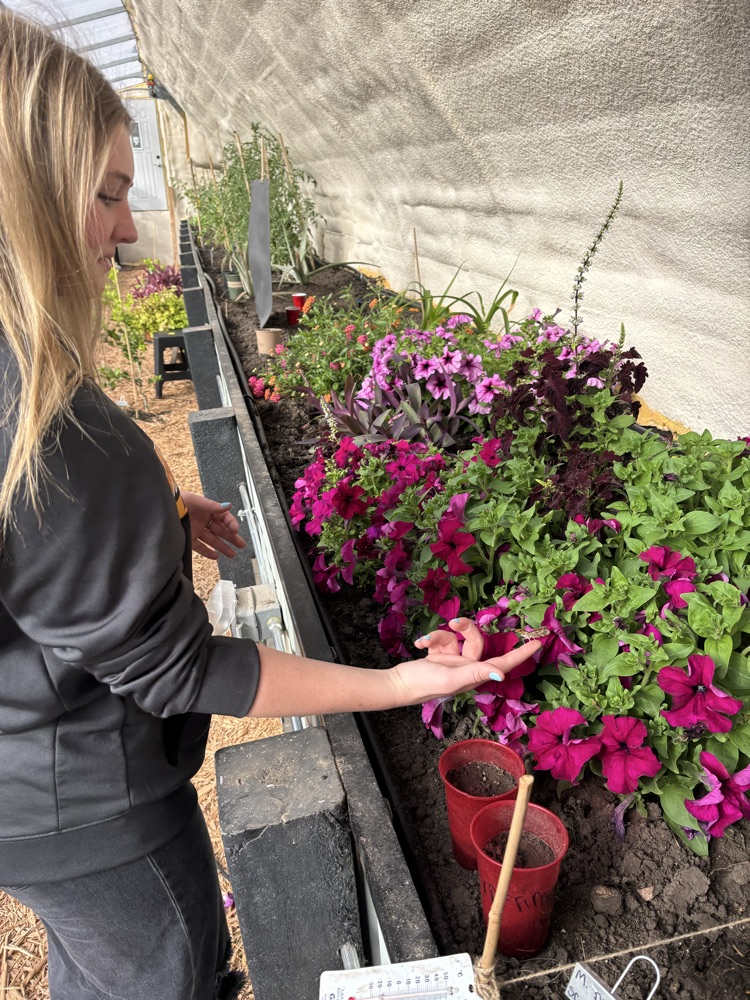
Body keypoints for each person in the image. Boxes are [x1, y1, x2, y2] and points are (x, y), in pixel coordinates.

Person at [0, 11, 542, 1000]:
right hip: (82, 800)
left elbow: (32, 547)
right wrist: (397, 681)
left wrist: (157, 515)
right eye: (109, 193)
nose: (128, 229)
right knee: (165, 977)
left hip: (19, 786)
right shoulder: (54, 434)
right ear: (27, 188)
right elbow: (181, 669)